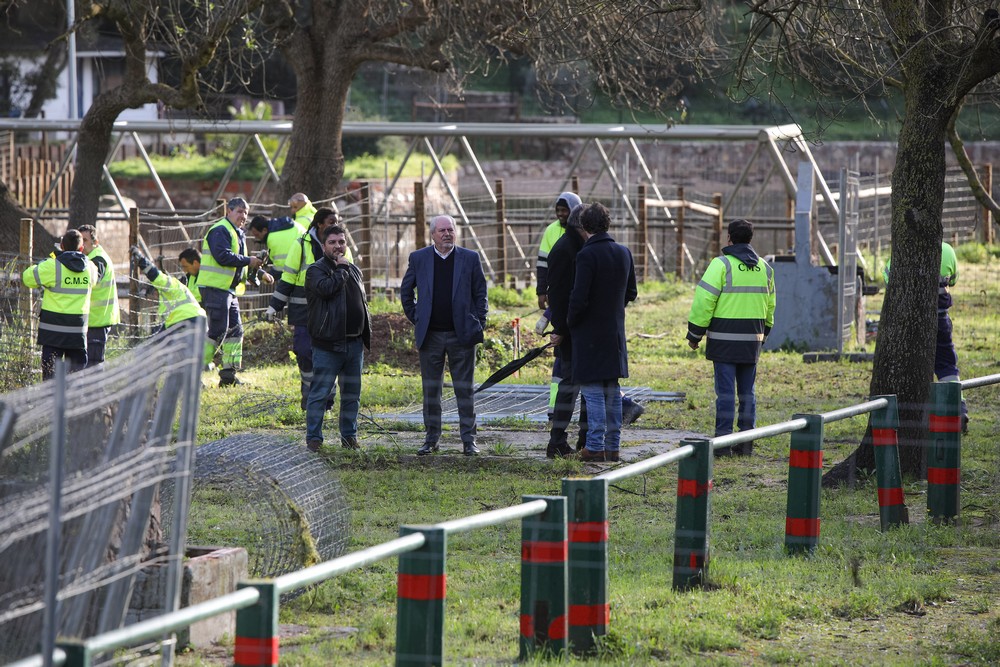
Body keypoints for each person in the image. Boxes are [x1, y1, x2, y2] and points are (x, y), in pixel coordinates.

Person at [687, 219, 776, 457]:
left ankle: (723, 443)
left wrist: (694, 334)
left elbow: (704, 301)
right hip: (751, 342)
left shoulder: (721, 265)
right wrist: (763, 336)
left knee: (725, 394)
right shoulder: (766, 269)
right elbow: (770, 307)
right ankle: (746, 442)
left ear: (729, 238)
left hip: (724, 342)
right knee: (748, 393)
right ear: (750, 239)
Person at [401, 214, 488, 456]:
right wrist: (418, 318)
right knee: (431, 390)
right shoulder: (419, 258)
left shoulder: (470, 258)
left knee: (465, 389)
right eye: (442, 230)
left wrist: (478, 322)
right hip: (431, 336)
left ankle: (469, 441)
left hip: (462, 336)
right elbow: (406, 292)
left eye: (450, 229)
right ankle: (431, 439)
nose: (447, 233)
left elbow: (481, 292)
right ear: (433, 234)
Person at [567, 203, 638, 463]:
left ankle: (594, 446)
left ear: (585, 227)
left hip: (589, 333)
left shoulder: (586, 255)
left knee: (593, 391)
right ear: (608, 223)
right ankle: (613, 447)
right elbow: (632, 293)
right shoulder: (623, 252)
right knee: (612, 388)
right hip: (615, 332)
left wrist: (571, 322)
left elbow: (579, 298)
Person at [883, 241, 968, 433]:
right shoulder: (947, 250)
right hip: (940, 318)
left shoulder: (904, 248)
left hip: (911, 322)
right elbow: (953, 279)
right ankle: (958, 409)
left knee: (910, 366)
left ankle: (912, 413)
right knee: (947, 367)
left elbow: (888, 279)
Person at [304, 224, 371, 452]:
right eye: (332, 242)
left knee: (352, 394)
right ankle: (314, 439)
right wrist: (341, 270)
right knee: (320, 394)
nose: (338, 246)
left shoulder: (353, 270)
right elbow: (326, 290)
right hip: (328, 346)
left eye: (341, 242)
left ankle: (349, 438)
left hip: (354, 345)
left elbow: (361, 302)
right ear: (324, 246)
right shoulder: (316, 270)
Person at [266, 207, 342, 408]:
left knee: (328, 353)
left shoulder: (341, 246)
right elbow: (288, 277)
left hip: (330, 310)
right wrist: (275, 306)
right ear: (319, 223)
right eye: (330, 221)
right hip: (303, 311)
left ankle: (327, 396)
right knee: (303, 351)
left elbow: (348, 278)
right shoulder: (301, 244)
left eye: (337, 221)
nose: (334, 225)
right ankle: (309, 393)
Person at [199, 196, 263, 386]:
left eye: (246, 212)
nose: (243, 216)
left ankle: (228, 377)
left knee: (235, 332)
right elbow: (223, 256)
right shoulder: (220, 230)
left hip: (228, 290)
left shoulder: (236, 232)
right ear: (229, 211)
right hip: (215, 288)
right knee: (218, 330)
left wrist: (260, 272)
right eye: (239, 211)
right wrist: (249, 260)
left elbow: (241, 260)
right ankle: (192, 372)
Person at [22, 229, 98, 380]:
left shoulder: (52, 266)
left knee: (50, 378)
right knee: (75, 379)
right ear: (81, 248)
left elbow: (27, 278)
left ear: (61, 246)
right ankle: (74, 403)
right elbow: (94, 282)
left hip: (52, 334)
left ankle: (51, 404)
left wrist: (44, 262)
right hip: (77, 334)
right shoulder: (91, 268)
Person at [545, 204, 588, 458]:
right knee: (569, 387)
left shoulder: (578, 247)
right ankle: (557, 441)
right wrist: (560, 329)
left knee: (581, 386)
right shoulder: (564, 250)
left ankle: (581, 440)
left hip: (576, 328)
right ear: (581, 226)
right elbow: (558, 296)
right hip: (569, 332)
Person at [129, 246, 207, 328]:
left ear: (195, 263)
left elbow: (159, 278)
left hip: (197, 317)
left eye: (185, 266)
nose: (184, 270)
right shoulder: (189, 277)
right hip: (192, 318)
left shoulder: (206, 278)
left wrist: (142, 261)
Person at [78, 224, 121, 369]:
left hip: (98, 321)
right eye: (80, 240)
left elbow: (94, 277)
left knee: (93, 366)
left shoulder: (98, 259)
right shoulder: (91, 257)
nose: (82, 244)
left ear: (95, 242)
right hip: (93, 320)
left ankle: (95, 393)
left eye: (85, 240)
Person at [247, 214, 306, 279]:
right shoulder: (281, 228)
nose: (256, 238)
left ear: (264, 230)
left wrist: (265, 275)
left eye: (257, 235)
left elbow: (280, 267)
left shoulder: (272, 239)